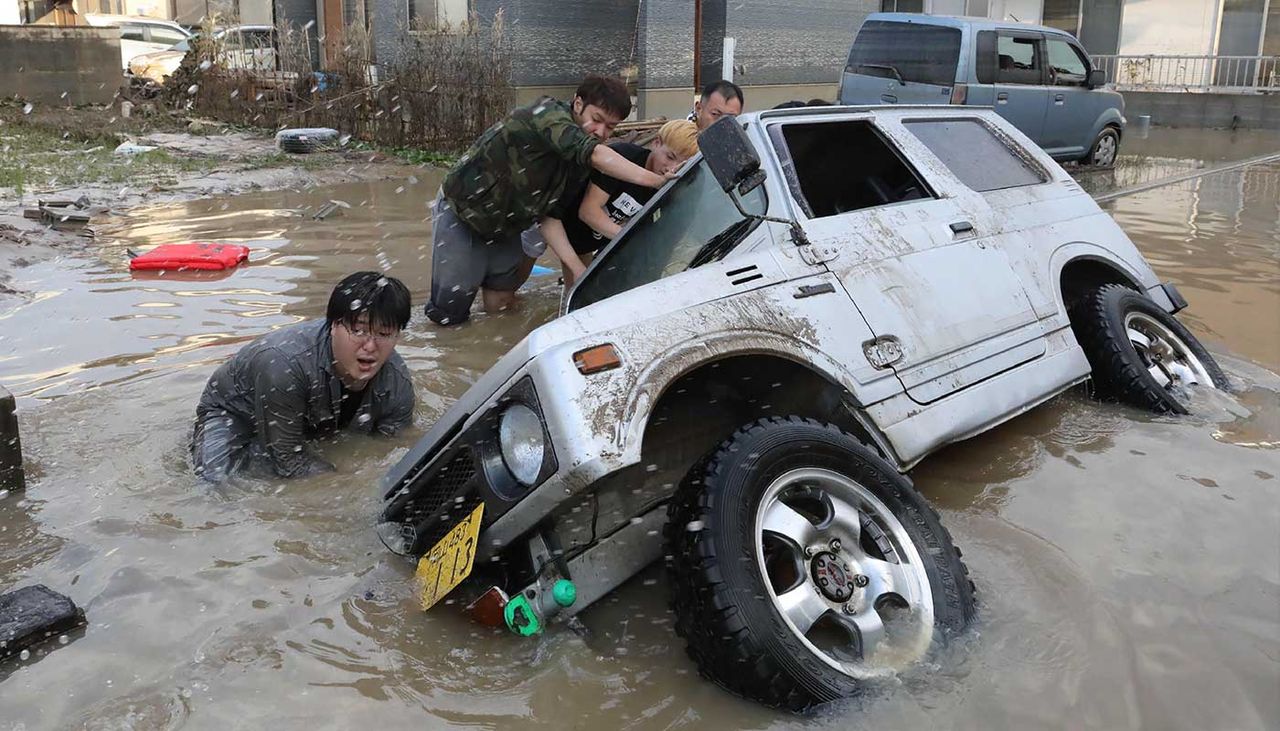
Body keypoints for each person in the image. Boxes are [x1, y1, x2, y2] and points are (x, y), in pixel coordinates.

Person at [426, 75, 672, 326]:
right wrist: (656, 180)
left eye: (610, 127)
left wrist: (578, 271)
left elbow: (550, 218)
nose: (601, 132)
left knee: (501, 304)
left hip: (509, 224)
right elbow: (594, 153)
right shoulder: (546, 114)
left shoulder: (579, 165)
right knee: (448, 316)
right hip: (463, 212)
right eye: (596, 120)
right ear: (578, 104)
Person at [191, 272, 415, 482]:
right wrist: (348, 485)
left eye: (384, 334)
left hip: (314, 418)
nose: (370, 346)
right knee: (214, 481)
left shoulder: (397, 382)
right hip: (236, 413)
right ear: (333, 326)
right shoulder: (282, 365)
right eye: (359, 330)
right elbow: (289, 461)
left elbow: (393, 448)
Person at [552, 120, 699, 283]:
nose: (671, 168)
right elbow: (588, 212)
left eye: (682, 164)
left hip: (593, 239)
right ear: (656, 142)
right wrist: (631, 239)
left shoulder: (675, 184)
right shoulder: (622, 158)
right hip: (557, 220)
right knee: (526, 263)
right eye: (670, 157)